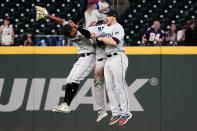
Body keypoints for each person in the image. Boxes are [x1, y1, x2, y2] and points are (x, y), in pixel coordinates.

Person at [92, 10, 132, 125]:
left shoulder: (118, 27)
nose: (106, 19)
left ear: (114, 17)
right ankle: (116, 113)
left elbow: (114, 42)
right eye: (106, 17)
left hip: (118, 57)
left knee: (120, 86)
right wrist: (95, 38)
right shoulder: (105, 29)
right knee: (109, 87)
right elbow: (102, 45)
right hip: (108, 59)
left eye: (108, 16)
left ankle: (125, 112)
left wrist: (101, 38)